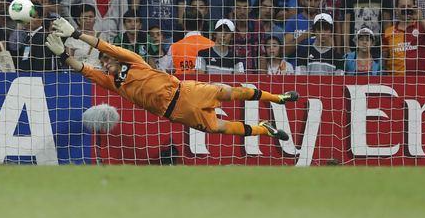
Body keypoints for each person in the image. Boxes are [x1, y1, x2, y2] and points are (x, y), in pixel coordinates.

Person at [46, 16, 298, 139]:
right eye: (103, 61)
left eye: (107, 59)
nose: (105, 62)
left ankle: (277, 97)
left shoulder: (134, 61)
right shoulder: (113, 83)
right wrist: (63, 56)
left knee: (229, 92)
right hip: (176, 113)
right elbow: (85, 70)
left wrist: (76, 34)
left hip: (186, 90)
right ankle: (264, 129)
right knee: (217, 128)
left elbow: (104, 45)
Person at [383, 0, 425, 75]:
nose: (406, 9)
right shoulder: (389, 31)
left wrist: (421, 19)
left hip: (419, 79)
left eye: (409, 6)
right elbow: (384, 58)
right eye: (403, 7)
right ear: (396, 10)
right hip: (396, 79)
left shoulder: (422, 26)